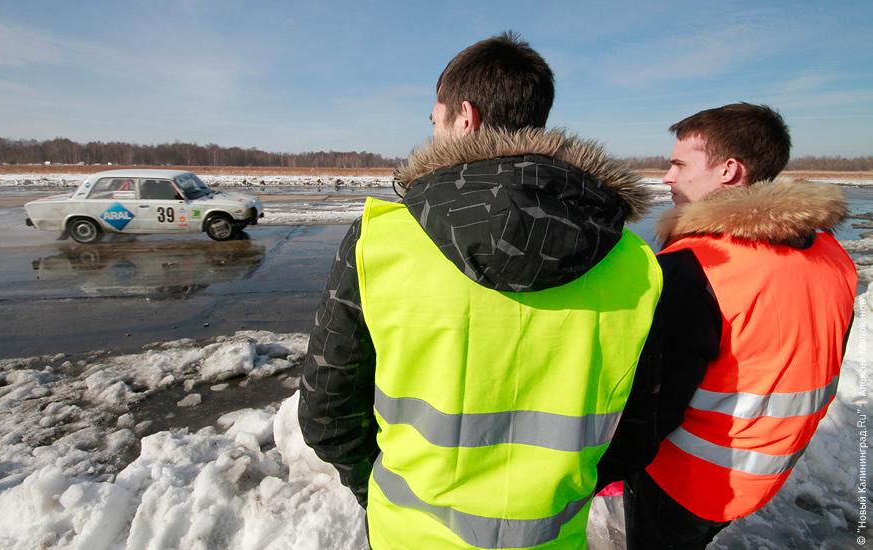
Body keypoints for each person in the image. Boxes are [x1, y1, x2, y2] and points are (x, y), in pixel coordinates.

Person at [298, 31, 663, 549]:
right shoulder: (634, 263)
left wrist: (375, 487)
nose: (429, 135)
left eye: (435, 120)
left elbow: (327, 411)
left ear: (464, 119)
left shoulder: (381, 241)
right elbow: (637, 432)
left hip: (408, 535)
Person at [600, 103, 857, 549]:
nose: (667, 177)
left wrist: (606, 468)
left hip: (687, 482)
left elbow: (651, 405)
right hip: (765, 471)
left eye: (679, 164)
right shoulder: (830, 253)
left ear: (729, 171)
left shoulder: (696, 268)